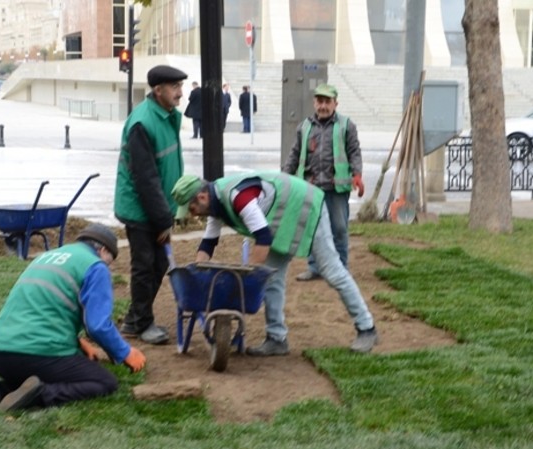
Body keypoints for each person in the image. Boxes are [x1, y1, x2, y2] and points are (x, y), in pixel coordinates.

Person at [171, 171, 379, 356]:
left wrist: (246, 279)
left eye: (191, 208)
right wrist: (197, 276)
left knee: (331, 270)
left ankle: (367, 328)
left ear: (202, 196)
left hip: (305, 205)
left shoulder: (237, 197)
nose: (191, 214)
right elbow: (208, 244)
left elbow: (263, 238)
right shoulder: (216, 206)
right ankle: (277, 339)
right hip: (281, 218)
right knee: (272, 279)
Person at [0, 224, 147, 412]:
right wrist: (125, 352)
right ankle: (40, 394)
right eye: (110, 260)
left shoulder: (48, 257)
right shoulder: (96, 266)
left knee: (49, 369)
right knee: (103, 381)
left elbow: (44, 307)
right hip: (34, 352)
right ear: (102, 250)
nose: (108, 266)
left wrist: (77, 341)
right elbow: (97, 326)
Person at [113, 64, 188, 345]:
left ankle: (135, 319)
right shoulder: (142, 123)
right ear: (158, 91)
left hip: (157, 208)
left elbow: (166, 167)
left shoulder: (165, 116)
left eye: (180, 86)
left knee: (157, 265)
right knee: (145, 266)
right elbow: (145, 179)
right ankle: (141, 324)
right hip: (140, 209)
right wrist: (162, 221)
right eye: (175, 87)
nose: (180, 93)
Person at [282, 83, 365, 281]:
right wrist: (284, 176)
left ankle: (341, 267)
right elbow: (294, 154)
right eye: (320, 101)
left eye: (328, 102)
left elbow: (354, 151)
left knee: (339, 228)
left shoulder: (346, 125)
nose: (323, 106)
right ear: (314, 103)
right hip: (311, 187)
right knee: (311, 229)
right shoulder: (305, 126)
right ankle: (315, 267)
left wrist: (357, 174)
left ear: (335, 103)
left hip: (337, 187)